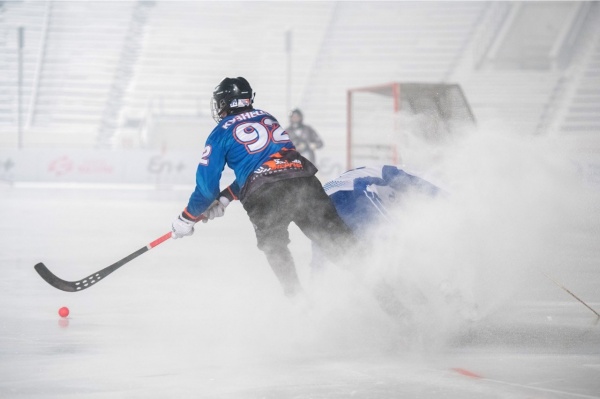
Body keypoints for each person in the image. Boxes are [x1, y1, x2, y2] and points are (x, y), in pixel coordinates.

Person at [170, 77, 357, 297]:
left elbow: (206, 190)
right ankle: (387, 289)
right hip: (303, 180)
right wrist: (226, 198)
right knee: (343, 247)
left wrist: (186, 218)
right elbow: (274, 165)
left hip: (265, 195)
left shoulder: (220, 133)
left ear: (224, 103)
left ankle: (298, 301)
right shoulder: (266, 118)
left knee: (274, 246)